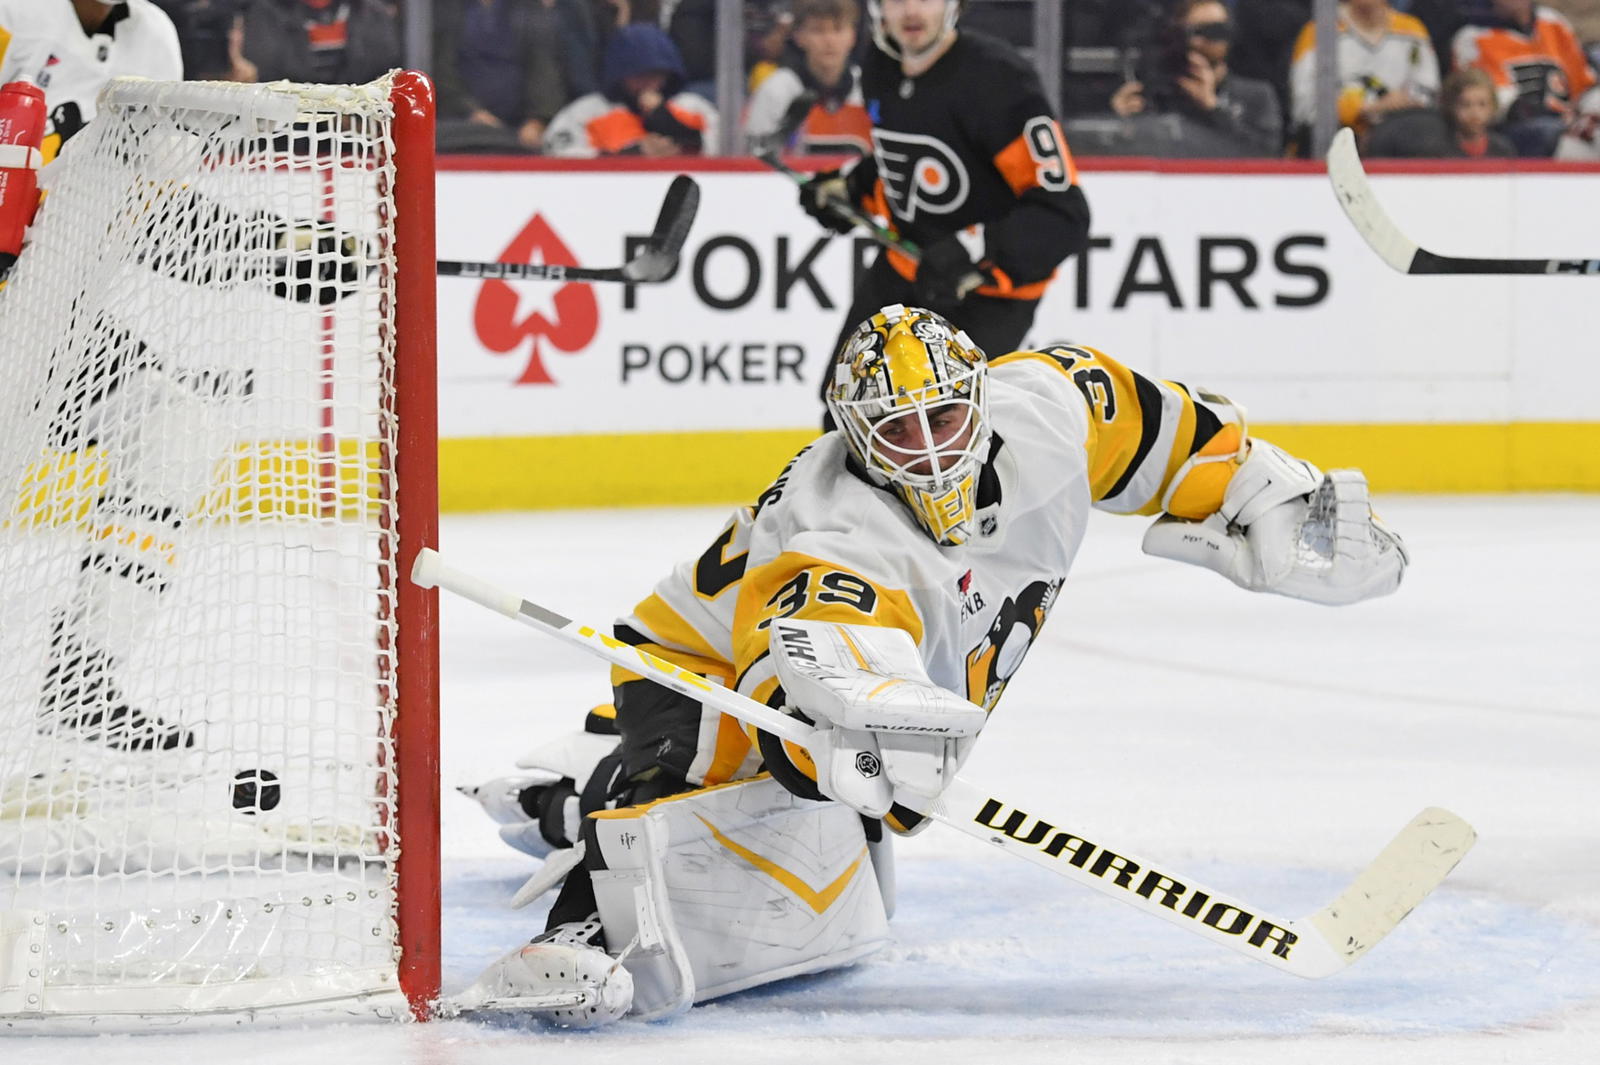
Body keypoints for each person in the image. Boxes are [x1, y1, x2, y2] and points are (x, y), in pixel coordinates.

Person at [451, 303, 1411, 1027]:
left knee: (828, 859)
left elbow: (1168, 431)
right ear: (855, 437)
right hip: (695, 663)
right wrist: (853, 734)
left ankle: (562, 790)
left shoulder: (1050, 409)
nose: (926, 451)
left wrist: (1264, 497)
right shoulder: (836, 532)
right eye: (895, 433)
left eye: (944, 418)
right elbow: (796, 677)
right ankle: (582, 904)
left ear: (981, 399)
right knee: (735, 809)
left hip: (818, 659)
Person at [794, 0, 1091, 408]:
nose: (911, 11)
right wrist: (850, 190)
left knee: (938, 422)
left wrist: (973, 247)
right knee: (848, 407)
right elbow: (907, 157)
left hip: (985, 292)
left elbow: (1062, 215)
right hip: (906, 266)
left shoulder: (999, 80)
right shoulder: (882, 63)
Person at [1107, 0, 1284, 157]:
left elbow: (1268, 155)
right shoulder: (1160, 89)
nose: (1198, 41)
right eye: (1189, 32)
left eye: (1214, 31)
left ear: (1229, 36)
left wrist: (1213, 108)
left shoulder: (1256, 95)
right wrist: (1120, 123)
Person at [432, 0, 596, 154]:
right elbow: (443, 69)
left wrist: (537, 119)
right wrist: (471, 111)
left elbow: (544, 65)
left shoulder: (527, 7)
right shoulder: (448, 8)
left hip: (518, 130)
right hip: (460, 127)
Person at [542, 22, 718, 158]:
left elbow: (718, 151)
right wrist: (631, 154)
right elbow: (560, 158)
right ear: (619, 75)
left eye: (657, 74)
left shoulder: (693, 107)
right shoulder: (588, 112)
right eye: (640, 75)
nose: (649, 83)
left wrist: (665, 118)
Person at [1287, 0, 1440, 154]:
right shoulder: (1319, 31)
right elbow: (1304, 106)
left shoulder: (1411, 30)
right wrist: (1363, 109)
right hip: (1339, 139)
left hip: (1398, 134)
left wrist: (1399, 105)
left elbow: (1428, 90)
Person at [1452, 0, 1599, 157]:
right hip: (1517, 129)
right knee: (1553, 135)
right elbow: (1479, 96)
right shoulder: (1472, 37)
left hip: (1568, 121)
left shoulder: (1553, 22)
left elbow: (1584, 83)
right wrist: (1520, 108)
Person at [745, 0, 874, 157]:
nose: (829, 40)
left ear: (852, 36)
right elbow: (757, 159)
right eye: (818, 31)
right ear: (799, 36)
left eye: (838, 29)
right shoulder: (775, 92)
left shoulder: (872, 88)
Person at [238, 0, 402, 86]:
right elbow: (265, 76)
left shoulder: (375, 14)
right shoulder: (262, 13)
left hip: (358, 131)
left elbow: (385, 73)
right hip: (288, 131)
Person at [1366, 66, 1519, 157]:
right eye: (1466, 105)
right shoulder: (1432, 149)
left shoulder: (1503, 151)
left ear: (1493, 106)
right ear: (1452, 106)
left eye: (1482, 104)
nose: (1474, 113)